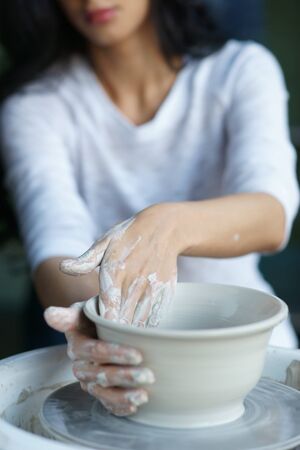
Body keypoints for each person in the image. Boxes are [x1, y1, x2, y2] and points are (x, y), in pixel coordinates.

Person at [0, 0, 299, 416]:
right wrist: (97, 329)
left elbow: (271, 214)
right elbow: (55, 248)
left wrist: (169, 225)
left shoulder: (241, 69)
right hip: (122, 371)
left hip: (254, 359)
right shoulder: (36, 105)